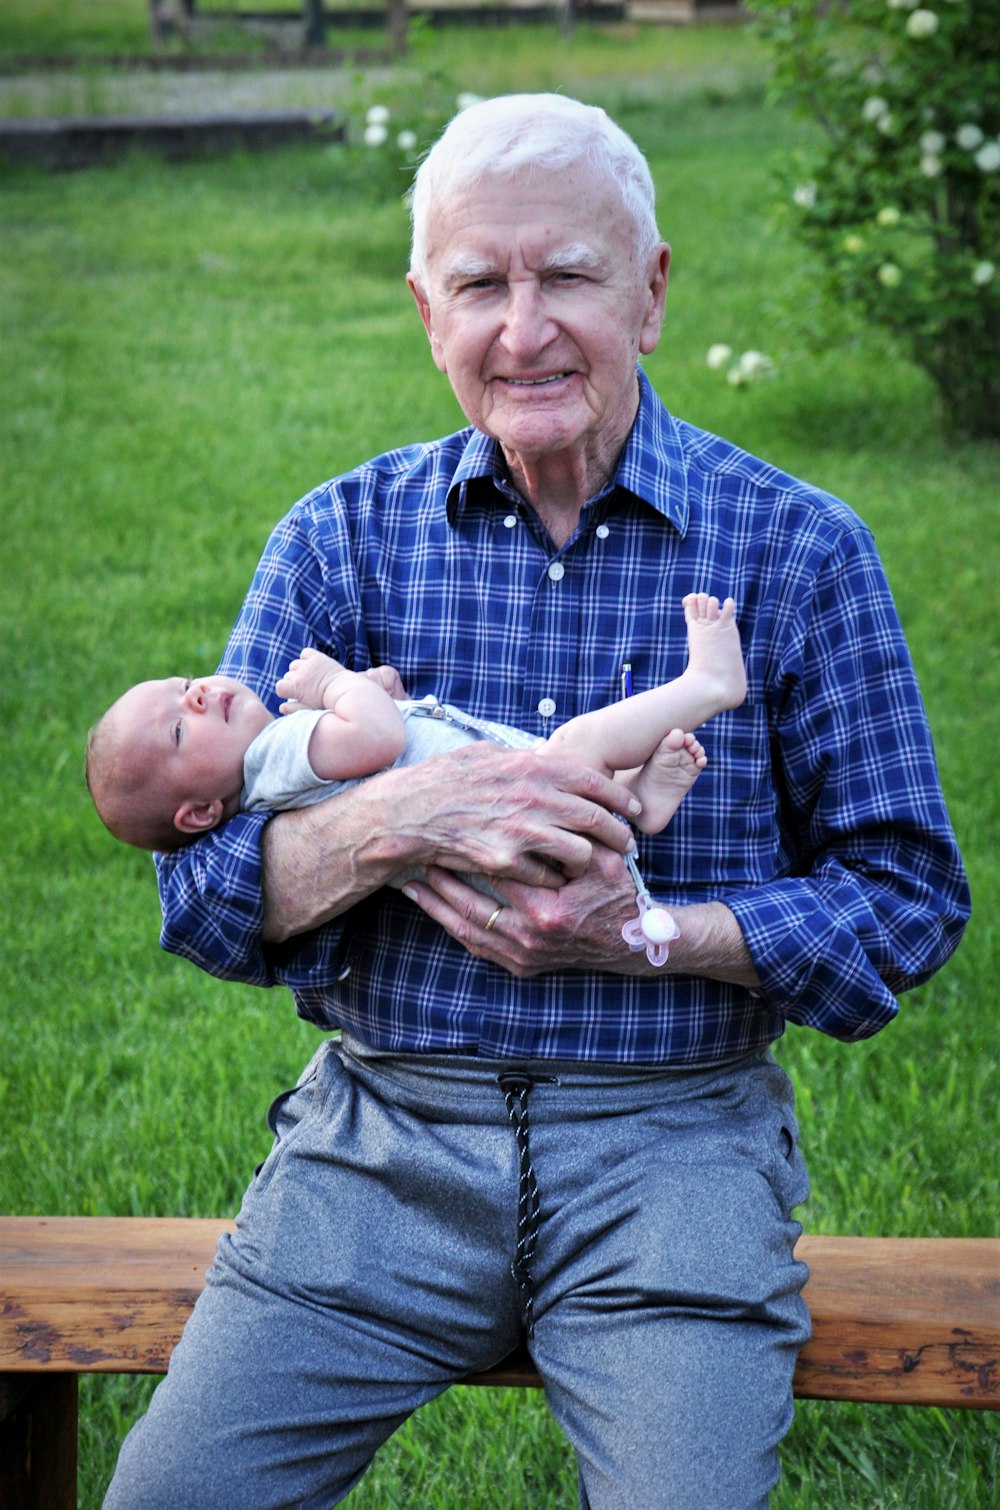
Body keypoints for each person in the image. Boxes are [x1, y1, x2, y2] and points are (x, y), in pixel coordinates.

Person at [103, 93, 969, 1509]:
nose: (523, 330)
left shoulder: (799, 551)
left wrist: (652, 933)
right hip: (378, 1147)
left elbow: (908, 900)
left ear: (653, 289)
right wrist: (402, 822)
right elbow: (197, 892)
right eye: (478, 285)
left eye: (565, 274)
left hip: (671, 1152)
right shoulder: (338, 537)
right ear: (424, 309)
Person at [86, 591, 743, 858]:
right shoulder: (278, 755)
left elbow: (372, 743)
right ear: (201, 812)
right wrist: (334, 684)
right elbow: (380, 739)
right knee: (575, 745)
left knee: (577, 758)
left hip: (506, 828)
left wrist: (376, 693)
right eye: (178, 729)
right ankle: (707, 685)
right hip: (512, 803)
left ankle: (636, 799)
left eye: (183, 685)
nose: (197, 696)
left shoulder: (278, 769)